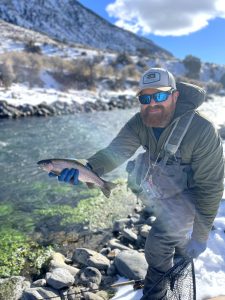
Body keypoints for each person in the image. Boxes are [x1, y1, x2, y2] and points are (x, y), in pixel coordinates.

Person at [49, 68, 224, 299]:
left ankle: (156, 293)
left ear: (175, 96)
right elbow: (114, 152)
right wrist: (86, 168)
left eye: (160, 96)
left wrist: (200, 238)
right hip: (164, 185)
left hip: (192, 192)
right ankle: (180, 250)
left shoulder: (202, 130)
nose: (152, 104)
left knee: (158, 243)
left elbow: (211, 187)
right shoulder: (139, 122)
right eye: (145, 98)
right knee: (169, 230)